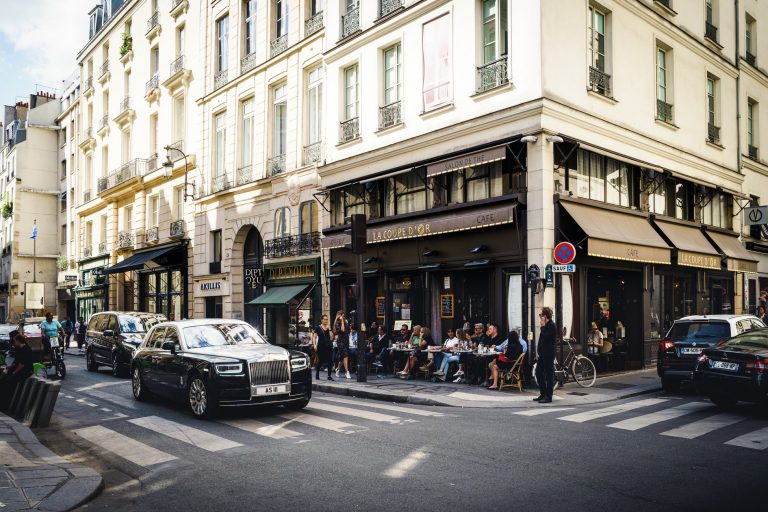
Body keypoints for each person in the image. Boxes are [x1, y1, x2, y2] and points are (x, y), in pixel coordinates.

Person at [0, 335, 34, 410]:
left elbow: (21, 365)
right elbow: (17, 362)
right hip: (18, 369)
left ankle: (5, 405)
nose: (14, 343)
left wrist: (14, 372)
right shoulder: (19, 349)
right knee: (3, 380)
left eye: (15, 341)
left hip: (25, 371)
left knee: (8, 382)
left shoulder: (26, 350)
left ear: (18, 341)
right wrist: (10, 367)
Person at [535, 307, 557, 403]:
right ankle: (543, 393)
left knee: (549, 375)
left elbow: (546, 336)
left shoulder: (551, 325)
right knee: (538, 372)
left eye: (541, 315)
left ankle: (549, 396)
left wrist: (543, 326)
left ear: (545, 316)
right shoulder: (545, 325)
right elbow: (541, 339)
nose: (540, 318)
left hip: (548, 354)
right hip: (542, 354)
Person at [313, 314, 334, 381]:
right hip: (321, 346)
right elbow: (314, 337)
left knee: (330, 361)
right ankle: (317, 372)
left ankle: (329, 376)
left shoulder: (328, 327)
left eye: (327, 319)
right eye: (324, 319)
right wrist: (314, 345)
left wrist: (329, 329)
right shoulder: (318, 328)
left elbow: (331, 337)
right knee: (321, 361)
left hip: (329, 346)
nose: (326, 321)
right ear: (321, 320)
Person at [334, 310, 351, 379]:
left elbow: (348, 330)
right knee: (345, 355)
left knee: (342, 356)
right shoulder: (337, 323)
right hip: (340, 341)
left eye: (343, 315)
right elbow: (343, 330)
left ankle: (338, 369)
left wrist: (345, 321)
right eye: (342, 315)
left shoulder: (346, 321)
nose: (343, 317)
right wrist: (342, 322)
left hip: (346, 340)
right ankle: (347, 372)